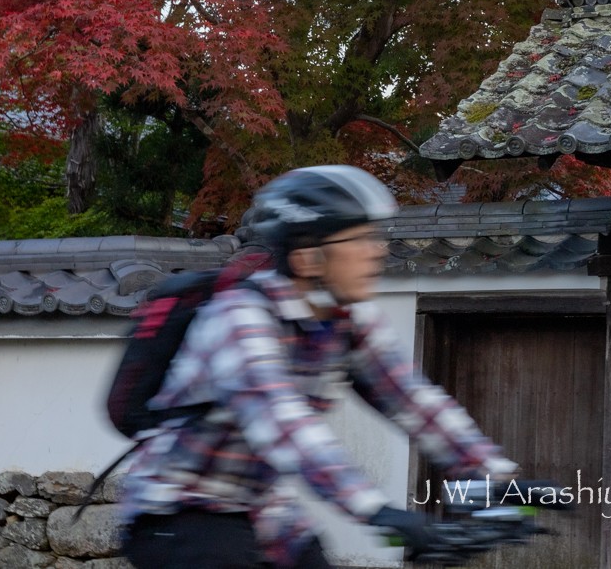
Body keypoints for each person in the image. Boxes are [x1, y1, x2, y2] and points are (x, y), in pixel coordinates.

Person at [119, 165, 517, 568]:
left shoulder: (347, 320)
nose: (378, 251)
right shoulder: (240, 318)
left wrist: (495, 477)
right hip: (180, 511)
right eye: (361, 239)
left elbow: (413, 401)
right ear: (308, 257)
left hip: (264, 510)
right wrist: (376, 510)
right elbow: (286, 426)